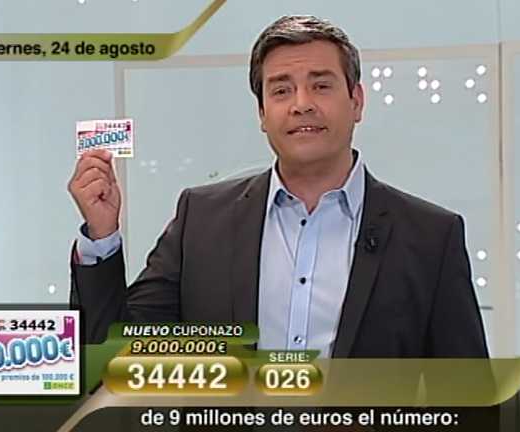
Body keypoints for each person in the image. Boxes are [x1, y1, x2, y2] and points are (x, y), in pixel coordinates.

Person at [68, 15, 488, 358]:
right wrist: (101, 237)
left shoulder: (431, 236)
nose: (302, 103)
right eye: (282, 90)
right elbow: (117, 351)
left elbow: (468, 400)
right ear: (262, 113)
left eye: (321, 85)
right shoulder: (202, 219)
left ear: (356, 101)